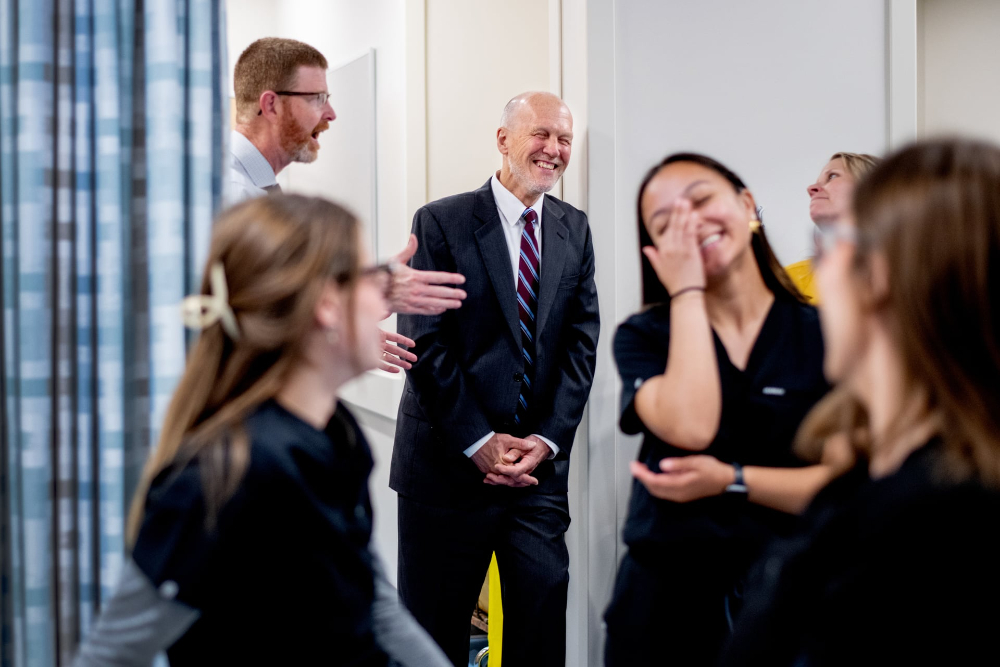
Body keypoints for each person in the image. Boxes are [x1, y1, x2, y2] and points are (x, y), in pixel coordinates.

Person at [74, 195, 449, 666]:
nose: (387, 294)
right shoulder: (218, 476)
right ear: (326, 306)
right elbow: (110, 656)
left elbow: (371, 599)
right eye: (370, 275)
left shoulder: (338, 435)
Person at [723, 138, 1000, 666]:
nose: (817, 274)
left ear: (882, 276)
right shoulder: (869, 487)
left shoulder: (932, 526)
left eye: (829, 251)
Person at [605, 153, 846, 667]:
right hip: (665, 605)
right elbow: (691, 426)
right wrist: (688, 292)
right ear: (654, 250)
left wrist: (729, 479)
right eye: (666, 221)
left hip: (789, 595)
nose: (689, 222)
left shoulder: (827, 335)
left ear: (746, 204)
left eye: (701, 199)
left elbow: (842, 487)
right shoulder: (644, 336)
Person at [391, 91, 600, 666]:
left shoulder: (573, 229)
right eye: (542, 134)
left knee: (539, 628)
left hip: (536, 474)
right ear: (504, 140)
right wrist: (479, 442)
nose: (554, 150)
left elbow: (582, 344)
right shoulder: (441, 222)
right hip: (445, 467)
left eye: (564, 139)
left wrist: (547, 440)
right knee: (433, 639)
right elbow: (424, 341)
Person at [230, 37, 467, 329]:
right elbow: (253, 319)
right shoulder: (232, 195)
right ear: (271, 105)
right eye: (317, 98)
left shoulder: (254, 190)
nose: (330, 114)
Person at [785, 152, 880, 302]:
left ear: (871, 189)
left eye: (832, 176)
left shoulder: (914, 274)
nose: (811, 188)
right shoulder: (786, 282)